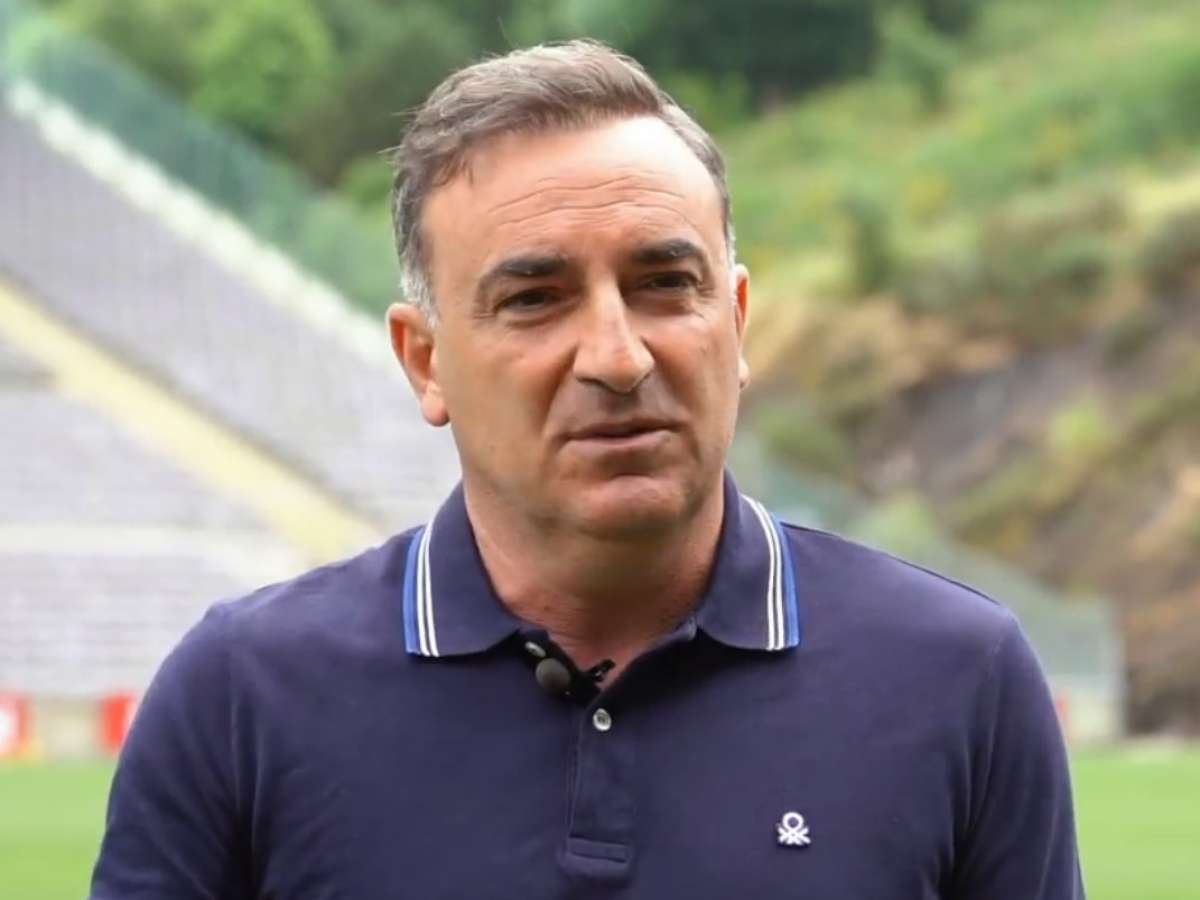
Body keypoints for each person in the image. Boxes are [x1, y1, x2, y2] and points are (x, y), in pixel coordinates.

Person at [90, 40, 1085, 899]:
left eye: (665, 284)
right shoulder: (240, 700)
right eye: (534, 299)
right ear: (425, 362)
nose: (617, 356)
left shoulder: (959, 680)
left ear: (736, 322)